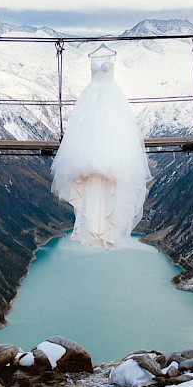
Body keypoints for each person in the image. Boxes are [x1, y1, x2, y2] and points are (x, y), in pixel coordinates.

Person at [51, 44, 152, 250]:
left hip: (108, 106)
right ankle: (94, 223)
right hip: (92, 105)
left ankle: (103, 225)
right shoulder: (93, 77)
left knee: (109, 170)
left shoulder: (111, 74)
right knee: (91, 174)